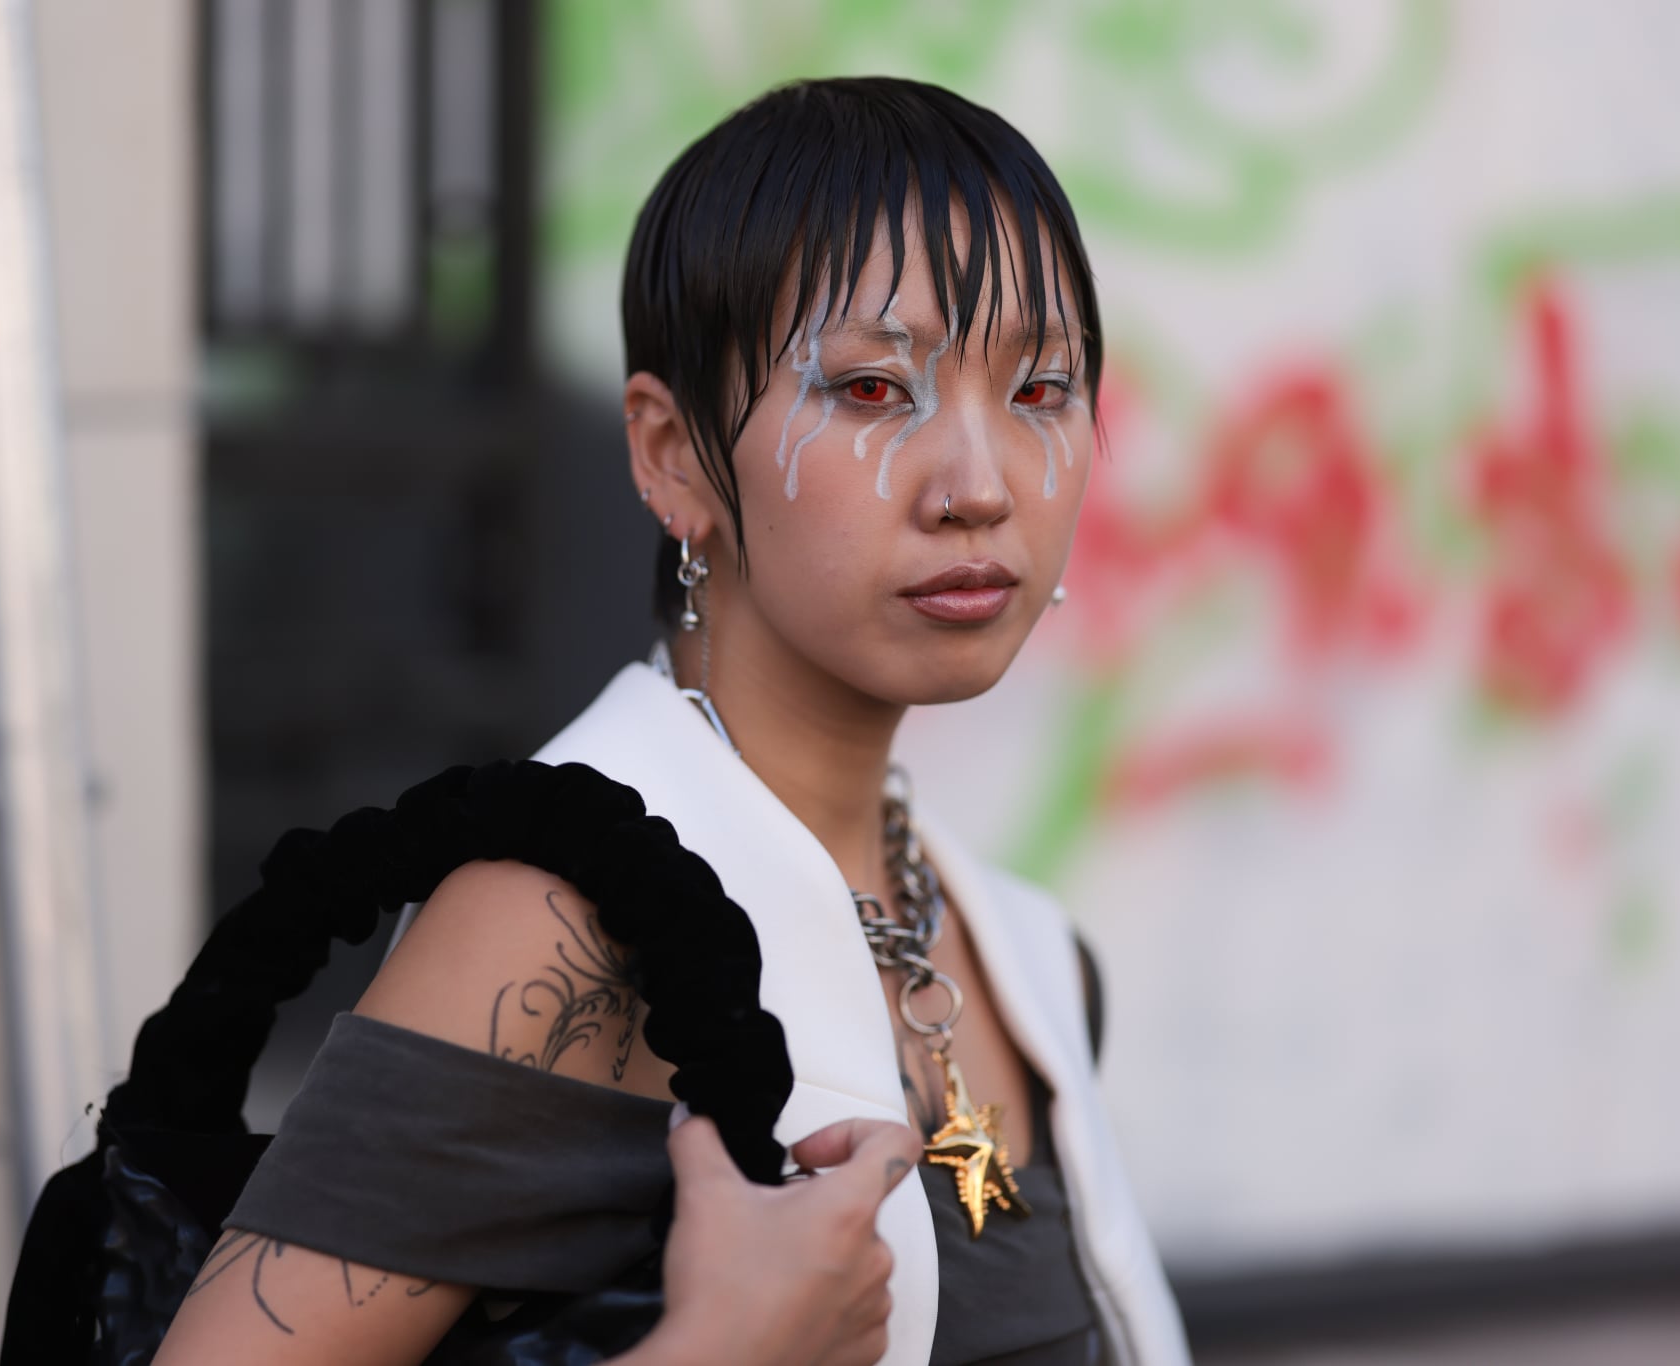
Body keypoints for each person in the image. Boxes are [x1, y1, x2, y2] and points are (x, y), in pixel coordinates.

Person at [156, 76, 1190, 1366]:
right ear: (670, 456)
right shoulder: (564, 924)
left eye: (1041, 390)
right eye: (872, 390)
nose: (980, 485)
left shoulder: (1029, 959)